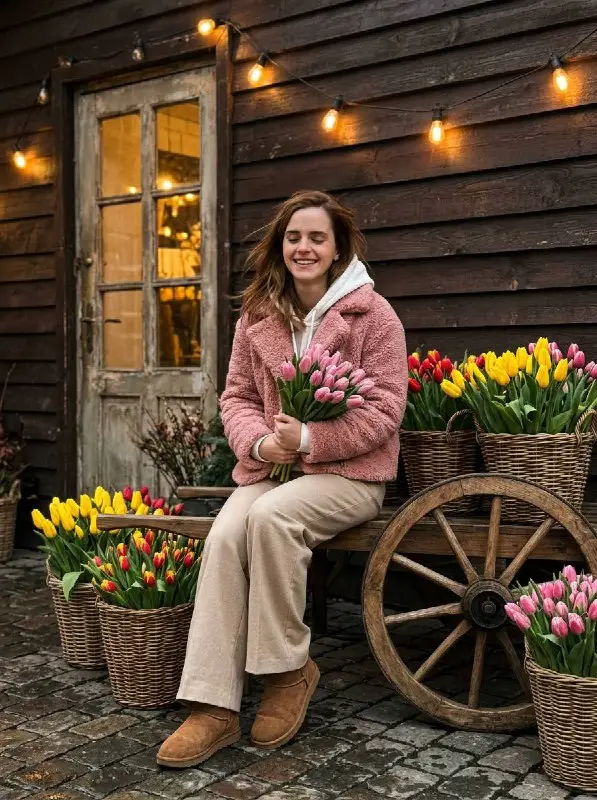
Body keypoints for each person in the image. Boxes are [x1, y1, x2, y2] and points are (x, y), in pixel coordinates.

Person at [157, 190, 408, 768]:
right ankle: (212, 705)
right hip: (272, 467)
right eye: (294, 237)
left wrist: (313, 441)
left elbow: (386, 409)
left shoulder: (374, 317)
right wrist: (260, 441)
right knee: (224, 535)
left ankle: (285, 673)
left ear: (338, 247)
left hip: (348, 475)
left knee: (272, 518)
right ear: (281, 246)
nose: (304, 247)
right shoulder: (258, 315)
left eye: (317, 238)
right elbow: (238, 397)